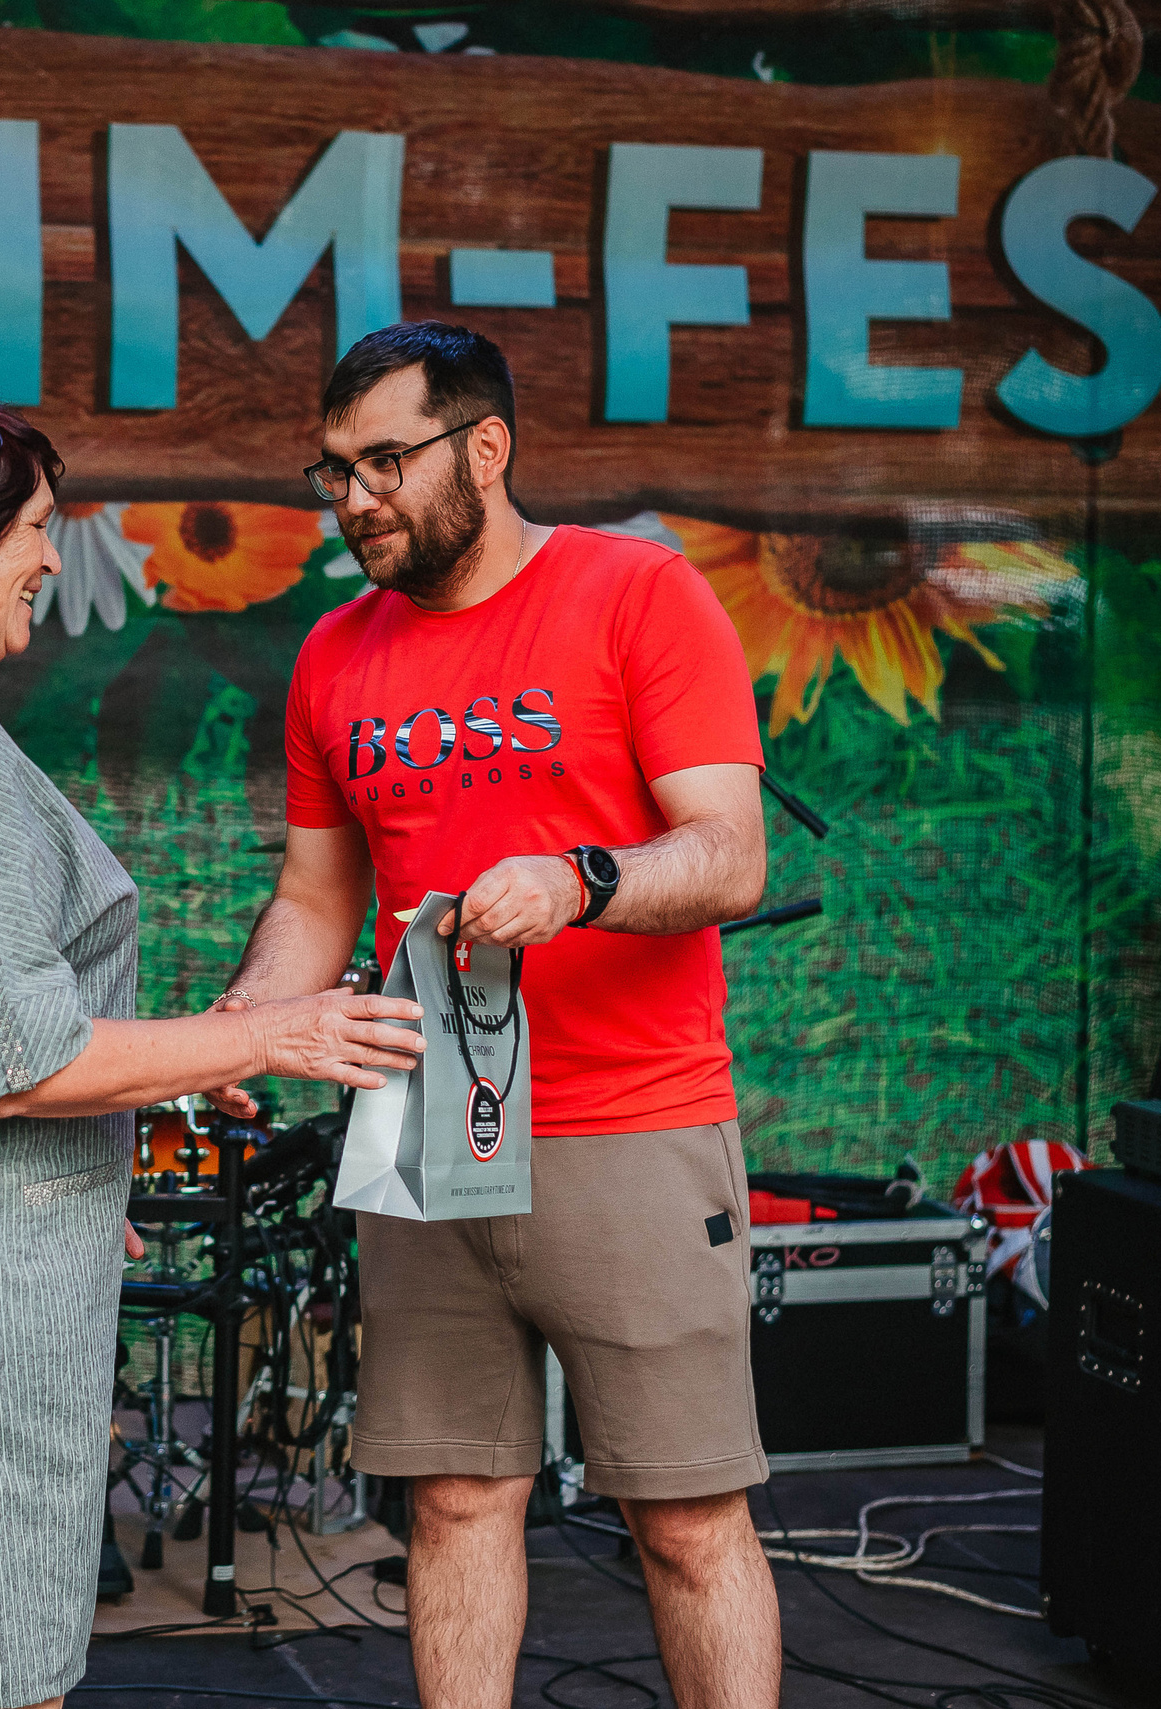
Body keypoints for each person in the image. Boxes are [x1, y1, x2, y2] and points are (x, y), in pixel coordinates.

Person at [0, 389, 424, 1709]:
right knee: (10, 1670)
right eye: (40, 529)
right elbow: (16, 1060)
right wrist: (278, 1027)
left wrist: (116, 1130)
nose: (55, 559)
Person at [211, 323, 781, 1709]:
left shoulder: (639, 592)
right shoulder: (333, 656)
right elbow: (313, 897)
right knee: (457, 1503)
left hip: (629, 1123)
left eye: (386, 462)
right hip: (423, 1133)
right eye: (334, 471)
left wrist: (582, 877)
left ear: (485, 447)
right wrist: (245, 1023)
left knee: (687, 1518)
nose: (356, 499)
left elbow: (731, 852)